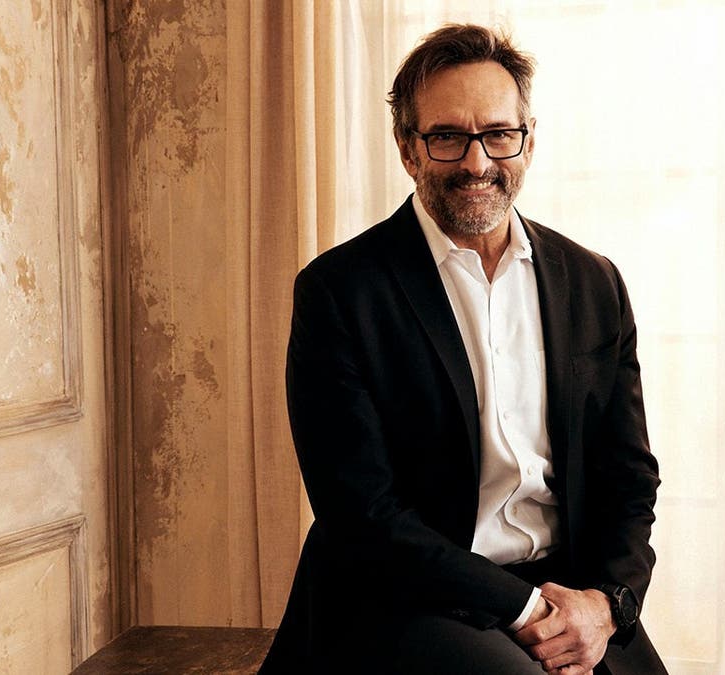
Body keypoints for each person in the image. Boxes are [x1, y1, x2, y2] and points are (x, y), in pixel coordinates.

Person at [260, 24, 665, 675]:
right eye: (447, 137)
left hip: (567, 591)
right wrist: (529, 608)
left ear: (528, 140)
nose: (477, 163)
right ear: (407, 148)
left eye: (498, 134)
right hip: (407, 595)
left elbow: (630, 479)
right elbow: (363, 514)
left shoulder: (595, 283)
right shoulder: (339, 292)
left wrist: (604, 605)